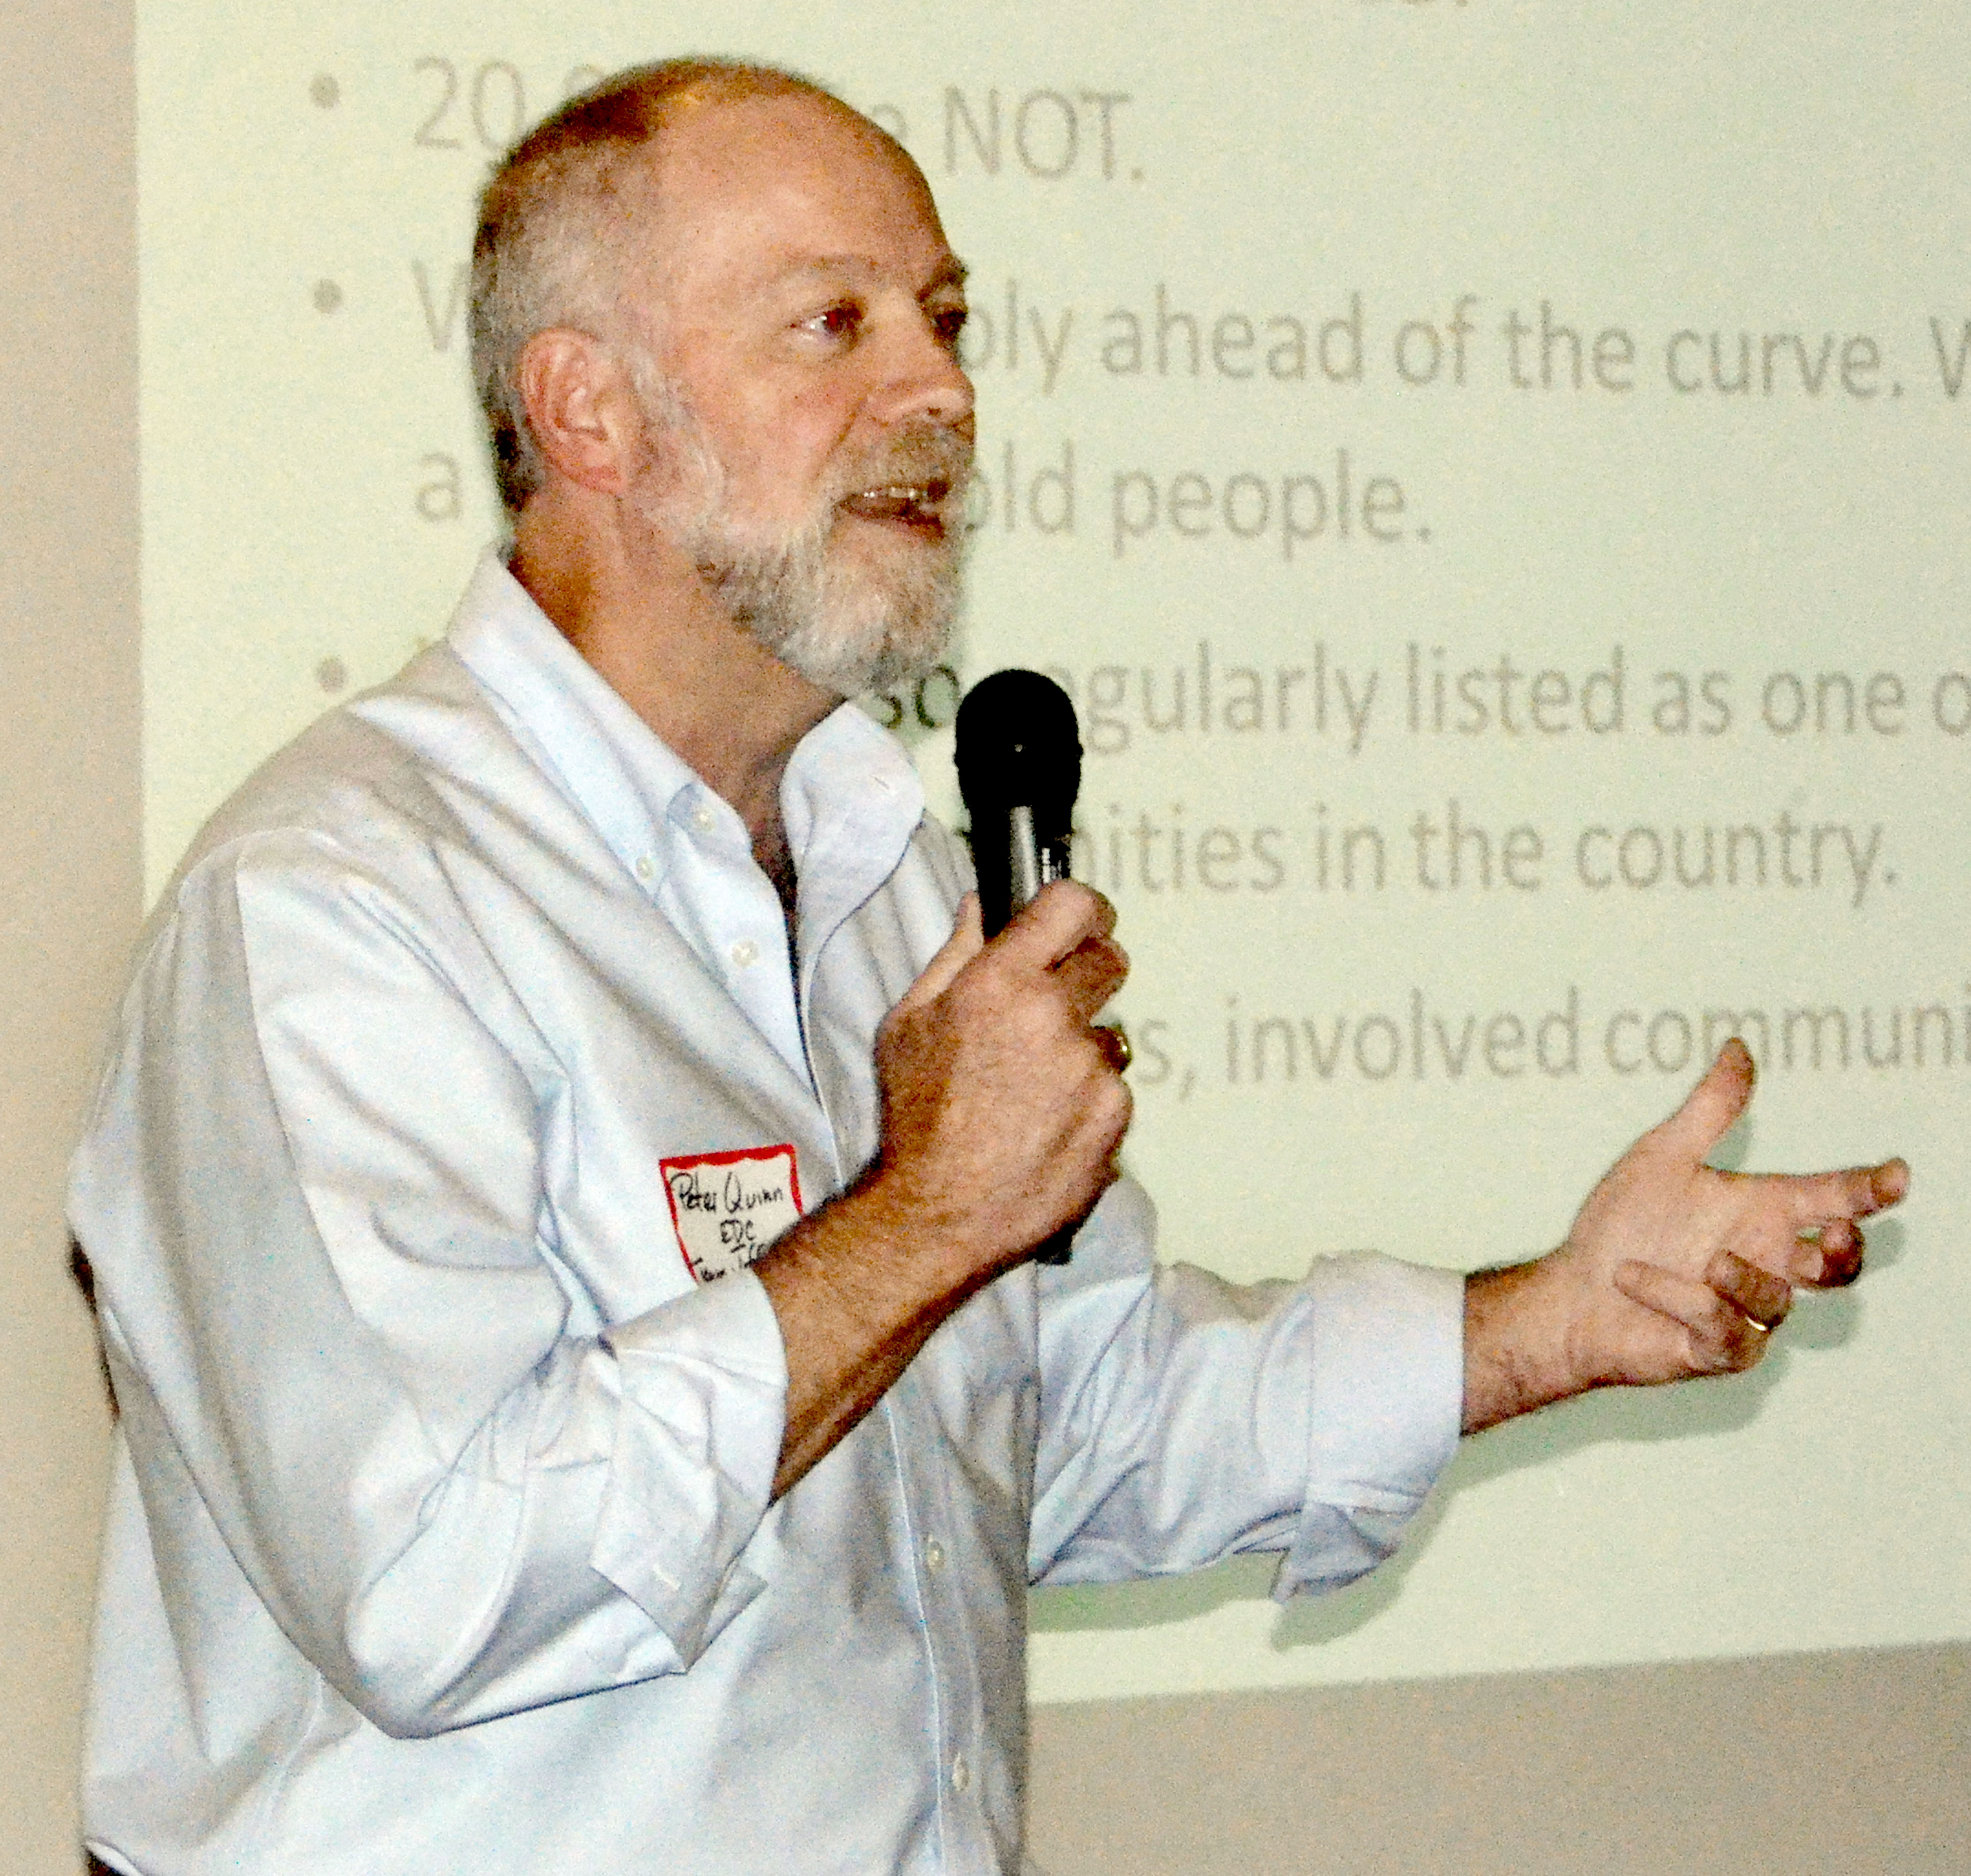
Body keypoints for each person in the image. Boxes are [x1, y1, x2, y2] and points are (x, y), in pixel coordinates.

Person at [68, 57, 1906, 1876]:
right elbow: (431, 1581)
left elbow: (1059, 1426)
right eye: (832, 325)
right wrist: (926, 1212)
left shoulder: (882, 871)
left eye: (943, 319)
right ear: (588, 411)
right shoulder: (337, 907)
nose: (938, 388)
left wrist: (1542, 1323)